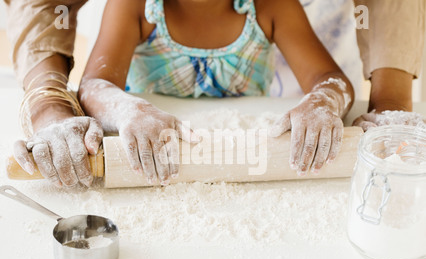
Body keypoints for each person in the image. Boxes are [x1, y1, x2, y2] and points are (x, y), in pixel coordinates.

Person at [4, 0, 425, 188]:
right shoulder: (136, 5)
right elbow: (95, 85)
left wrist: (323, 101)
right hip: (145, 130)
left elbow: (330, 80)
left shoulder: (271, 5)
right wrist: (129, 111)